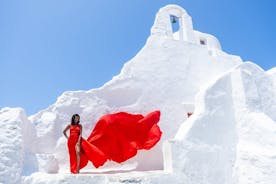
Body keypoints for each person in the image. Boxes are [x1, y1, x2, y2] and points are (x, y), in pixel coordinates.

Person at [63, 110, 162, 174]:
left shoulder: (85, 127)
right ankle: (75, 169)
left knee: (81, 152)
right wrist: (69, 138)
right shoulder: (104, 122)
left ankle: (76, 169)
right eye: (75, 118)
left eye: (77, 118)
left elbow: (87, 134)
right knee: (75, 153)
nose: (76, 119)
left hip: (84, 138)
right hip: (74, 140)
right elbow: (65, 132)